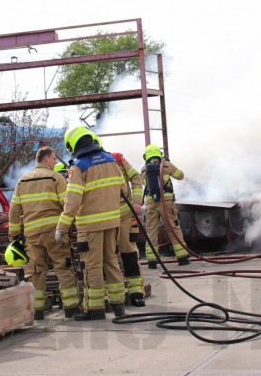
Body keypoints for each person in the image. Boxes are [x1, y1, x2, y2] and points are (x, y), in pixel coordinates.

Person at [56, 126, 126, 321]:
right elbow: (123, 190)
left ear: (73, 144)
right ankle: (119, 305)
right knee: (111, 261)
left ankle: (94, 309)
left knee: (91, 266)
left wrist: (62, 226)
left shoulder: (78, 166)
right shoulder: (111, 160)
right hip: (112, 222)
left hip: (90, 226)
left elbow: (72, 200)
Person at [9, 146, 79, 319]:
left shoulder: (22, 181)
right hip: (54, 233)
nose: (56, 162)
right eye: (54, 158)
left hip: (32, 235)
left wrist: (14, 234)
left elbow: (14, 210)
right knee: (63, 267)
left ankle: (37, 311)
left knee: (36, 271)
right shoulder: (55, 177)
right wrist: (74, 225)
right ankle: (70, 308)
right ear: (46, 159)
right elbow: (67, 204)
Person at [140, 144, 190, 268]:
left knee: (151, 231)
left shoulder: (143, 169)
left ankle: (152, 261)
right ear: (159, 154)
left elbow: (143, 182)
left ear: (146, 156)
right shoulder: (166, 165)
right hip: (166, 202)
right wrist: (168, 164)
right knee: (173, 228)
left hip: (151, 203)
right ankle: (182, 257)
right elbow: (181, 175)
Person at [110, 151, 145, 307]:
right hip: (104, 217)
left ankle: (136, 293)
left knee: (129, 254)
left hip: (124, 214)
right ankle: (114, 296)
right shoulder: (85, 164)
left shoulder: (117, 158)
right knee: (107, 258)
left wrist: (137, 202)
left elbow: (136, 177)